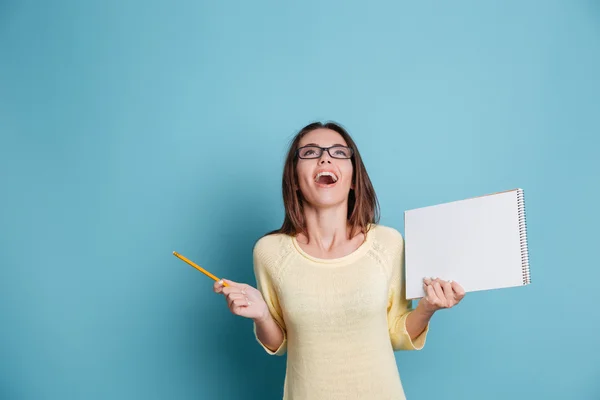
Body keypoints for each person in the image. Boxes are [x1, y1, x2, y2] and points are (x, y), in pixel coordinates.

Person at [213, 121, 466, 399]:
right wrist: (261, 315)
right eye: (310, 152)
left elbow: (395, 333)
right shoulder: (269, 251)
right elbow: (281, 343)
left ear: (354, 177)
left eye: (338, 152)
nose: (325, 157)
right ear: (294, 180)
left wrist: (428, 308)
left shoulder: (388, 243)